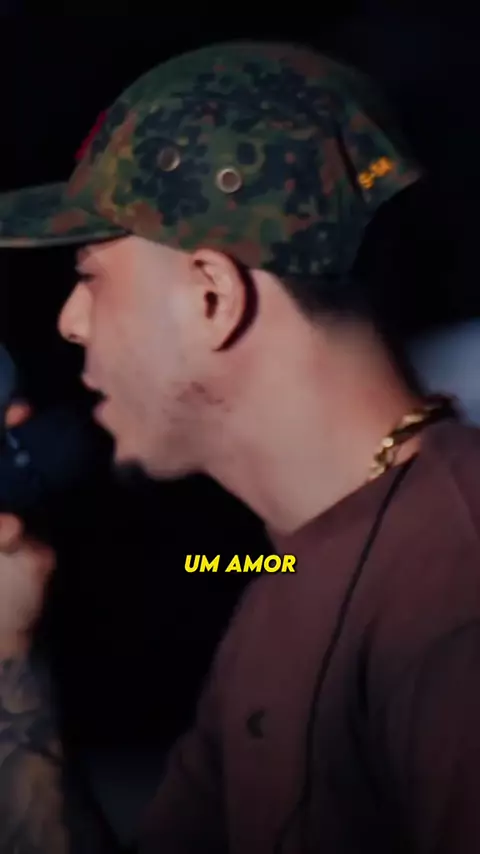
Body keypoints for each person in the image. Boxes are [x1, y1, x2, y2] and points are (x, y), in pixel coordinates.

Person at [0, 40, 479, 854]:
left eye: (90, 273)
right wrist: (12, 659)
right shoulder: (284, 570)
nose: (70, 322)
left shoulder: (454, 596)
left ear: (212, 297)